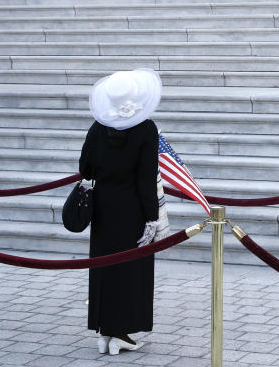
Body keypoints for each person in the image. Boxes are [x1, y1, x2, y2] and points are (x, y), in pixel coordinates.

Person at [81, 69, 162, 356]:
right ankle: (121, 332)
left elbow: (85, 168)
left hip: (103, 207)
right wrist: (152, 217)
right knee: (130, 271)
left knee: (104, 266)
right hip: (132, 210)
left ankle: (104, 331)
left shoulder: (97, 127)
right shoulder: (146, 130)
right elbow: (145, 180)